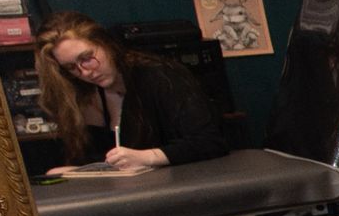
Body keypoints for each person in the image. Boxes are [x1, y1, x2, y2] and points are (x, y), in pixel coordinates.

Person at [34, 12, 228, 174]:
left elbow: (210, 141)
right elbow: (102, 159)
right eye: (71, 67)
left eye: (86, 58)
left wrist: (147, 157)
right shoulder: (86, 92)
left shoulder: (159, 75)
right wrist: (79, 171)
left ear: (105, 43)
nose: (84, 72)